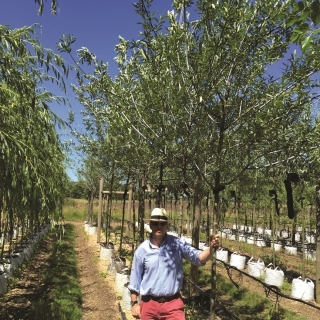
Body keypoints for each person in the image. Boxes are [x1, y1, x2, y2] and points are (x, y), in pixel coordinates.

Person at [128, 207, 221, 320]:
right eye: (155, 223)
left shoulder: (177, 244)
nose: (159, 226)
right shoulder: (142, 250)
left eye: (162, 224)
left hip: (173, 304)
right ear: (150, 225)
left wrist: (211, 248)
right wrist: (134, 303)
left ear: (167, 225)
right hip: (149, 304)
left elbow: (198, 257)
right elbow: (135, 280)